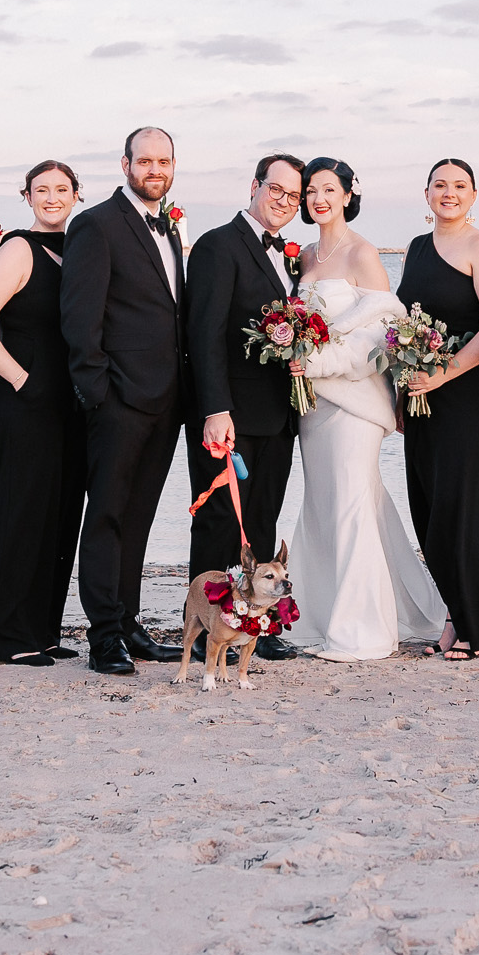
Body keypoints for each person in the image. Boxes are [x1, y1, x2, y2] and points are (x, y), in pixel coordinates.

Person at [289, 158, 445, 661]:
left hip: (354, 402)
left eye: (329, 189)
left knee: (352, 506)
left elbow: (380, 336)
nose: (319, 199)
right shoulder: (306, 254)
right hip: (311, 407)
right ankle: (324, 616)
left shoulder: (363, 254)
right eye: (311, 190)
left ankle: (363, 632)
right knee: (326, 506)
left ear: (348, 194)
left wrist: (316, 363)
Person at [59, 126, 188, 676]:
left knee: (138, 517)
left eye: (164, 160)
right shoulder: (95, 225)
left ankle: (130, 621)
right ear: (125, 164)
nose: (154, 169)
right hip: (118, 401)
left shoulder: (172, 231)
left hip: (166, 402)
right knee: (108, 516)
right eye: (145, 161)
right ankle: (103, 634)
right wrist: (99, 395)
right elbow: (79, 321)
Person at [0, 160, 89, 665]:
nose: (52, 197)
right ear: (26, 196)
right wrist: (19, 378)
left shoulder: (78, 250)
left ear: (77, 194)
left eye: (61, 189)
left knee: (60, 517)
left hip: (71, 404)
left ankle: (43, 629)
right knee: (23, 514)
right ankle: (9, 636)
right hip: (26, 400)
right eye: (42, 189)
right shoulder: (18, 247)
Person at [183, 153, 307, 665]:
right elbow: (204, 333)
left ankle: (254, 626)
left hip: (278, 416)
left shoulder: (291, 258)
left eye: (293, 196)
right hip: (228, 415)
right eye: (275, 189)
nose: (283, 201)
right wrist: (215, 407)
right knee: (218, 521)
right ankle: (210, 628)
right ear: (255, 186)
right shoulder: (217, 245)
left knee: (260, 520)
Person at [394, 158, 479, 659]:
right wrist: (403, 391)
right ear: (426, 194)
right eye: (439, 185)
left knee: (463, 512)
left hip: (474, 396)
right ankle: (453, 615)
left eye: (459, 186)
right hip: (424, 398)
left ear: (474, 194)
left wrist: (444, 374)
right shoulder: (418, 248)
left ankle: (476, 630)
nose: (449, 193)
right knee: (429, 510)